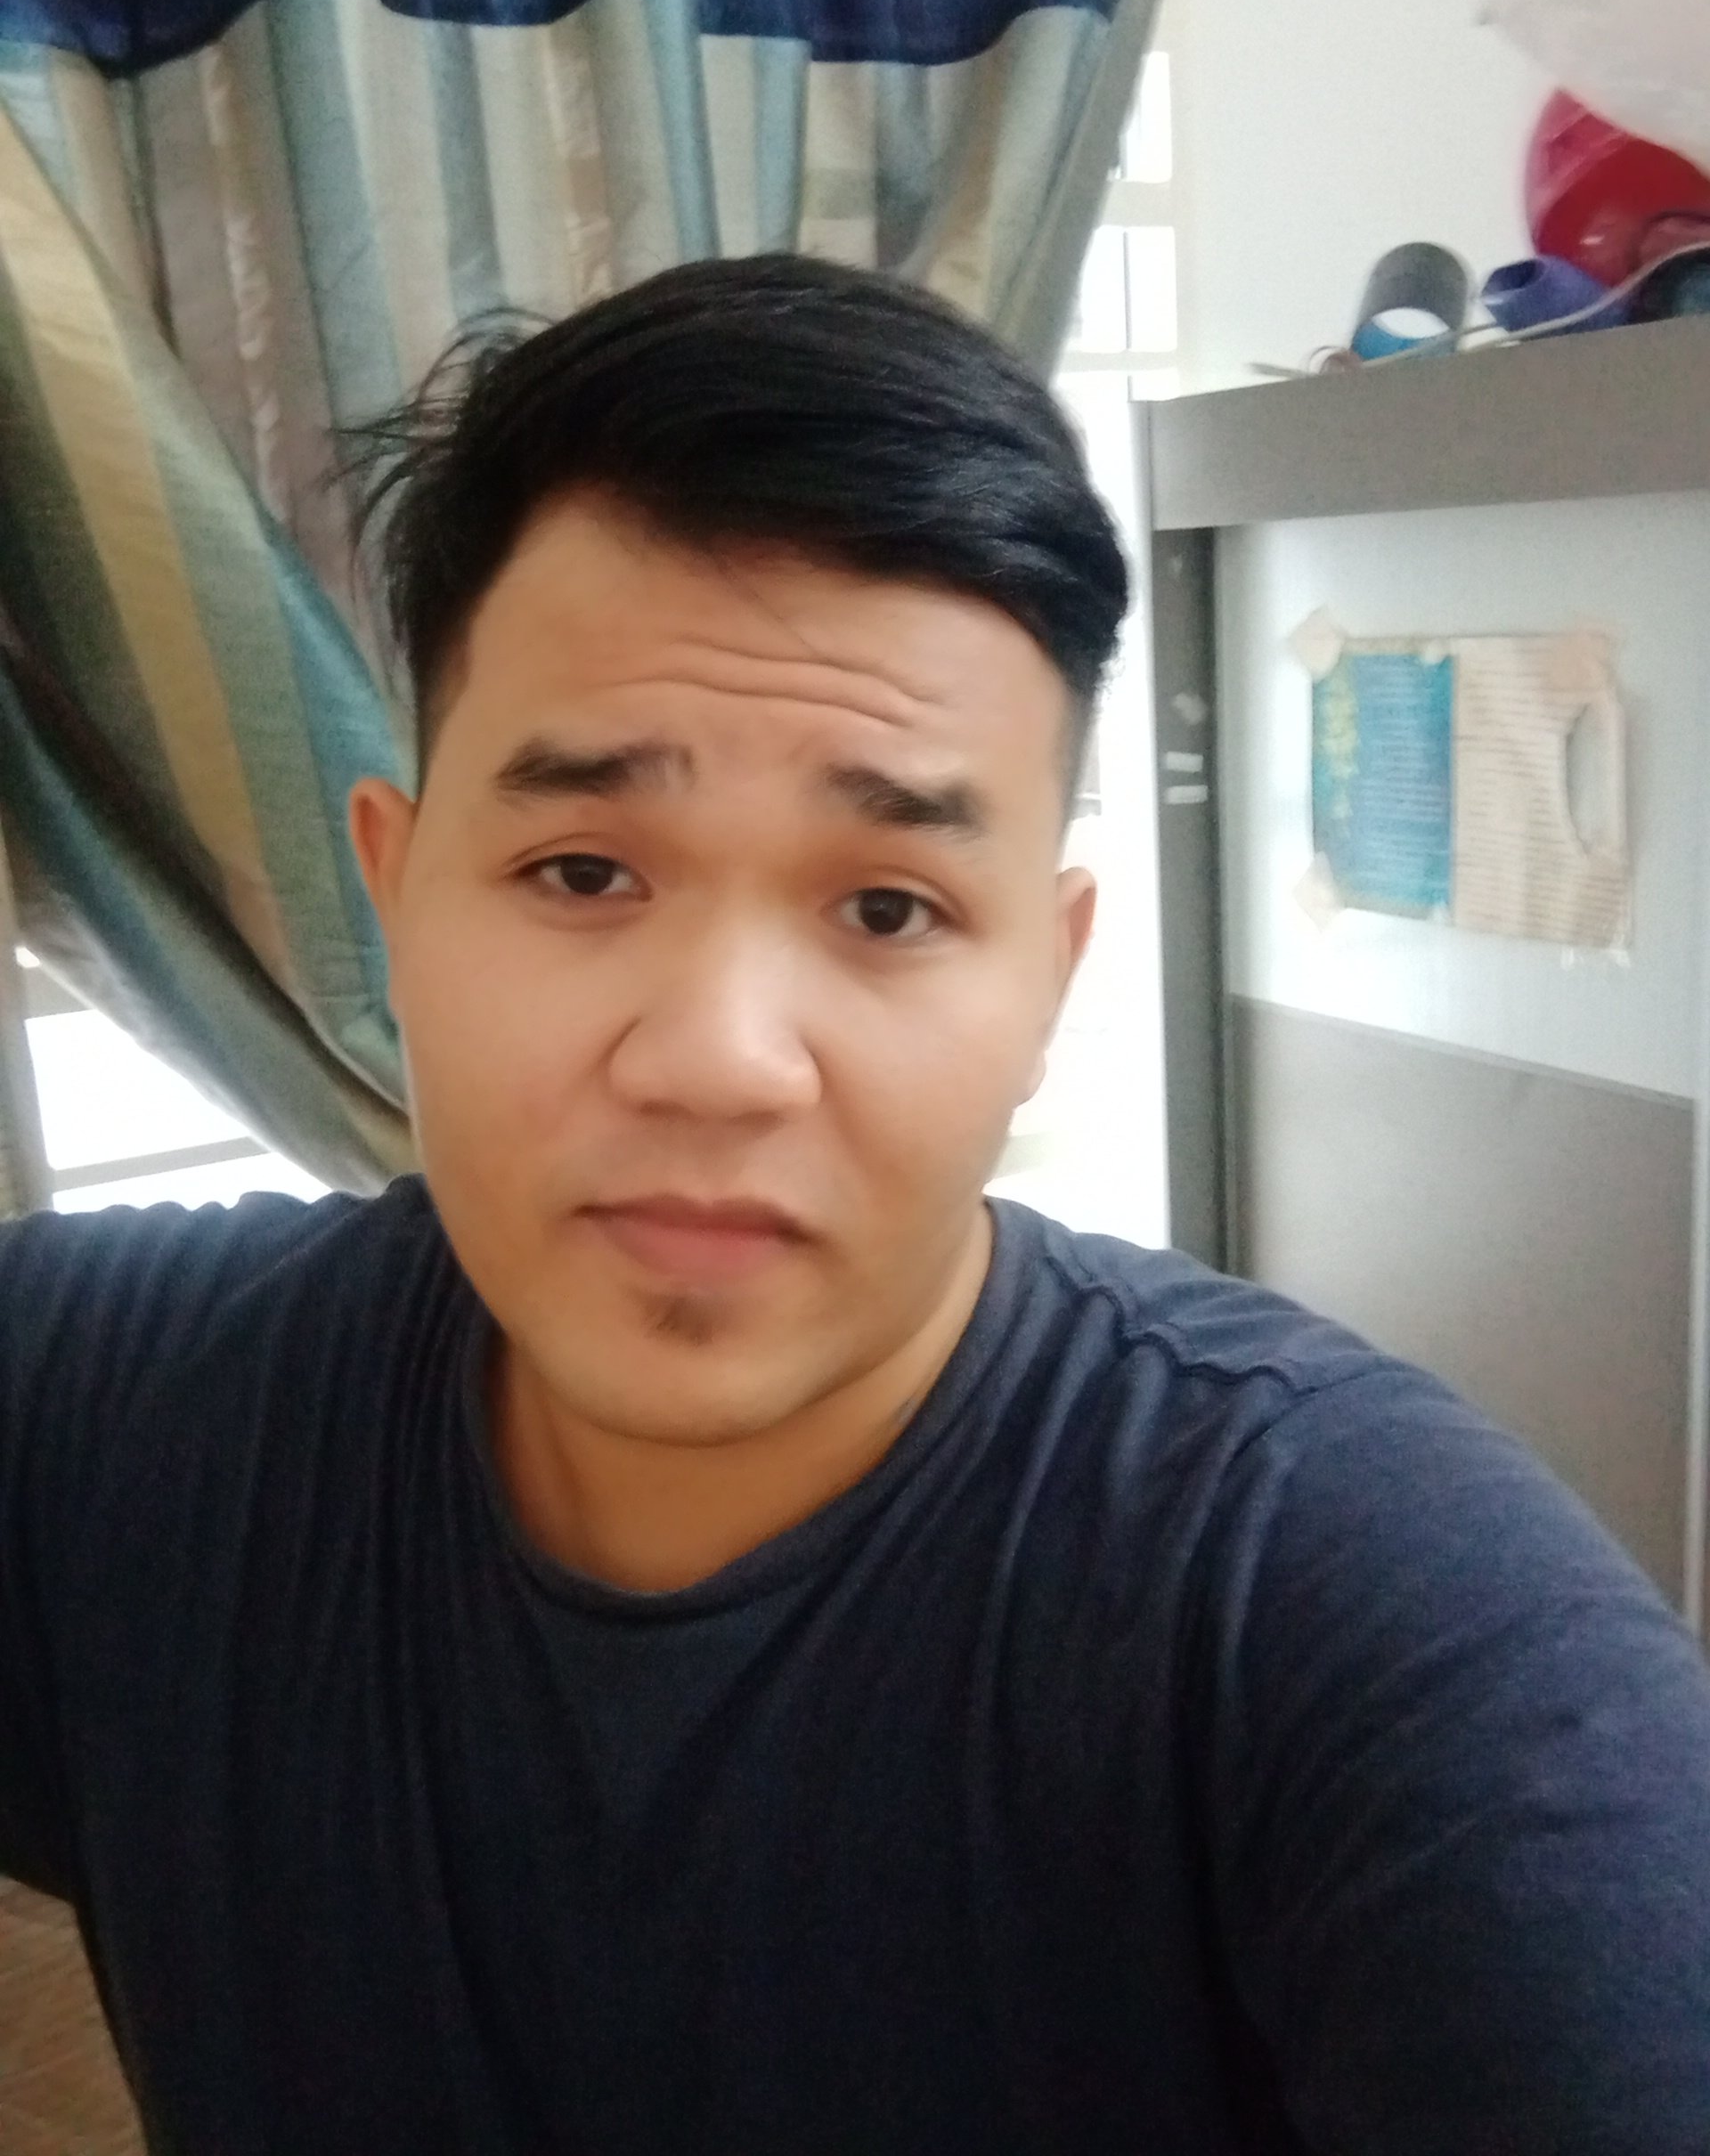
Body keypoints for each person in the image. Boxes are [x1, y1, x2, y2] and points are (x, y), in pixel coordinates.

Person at [3, 254, 1707, 2156]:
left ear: (1048, 980)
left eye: (889, 907)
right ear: (394, 901)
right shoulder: (108, 1424)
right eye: (582, 871)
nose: (720, 1060)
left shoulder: (1374, 1621)